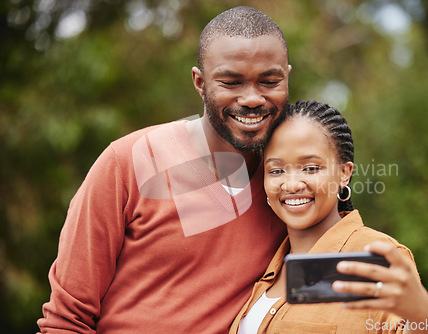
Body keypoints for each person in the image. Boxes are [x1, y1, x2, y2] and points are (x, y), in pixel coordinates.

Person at [37, 6, 291, 333]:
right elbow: (65, 320)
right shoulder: (128, 162)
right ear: (200, 83)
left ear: (286, 77)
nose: (253, 98)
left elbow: (331, 269)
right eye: (231, 82)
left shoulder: (290, 189)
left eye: (269, 81)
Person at [230, 100, 428, 334]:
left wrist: (421, 315)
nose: (291, 184)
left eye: (311, 168)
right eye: (276, 171)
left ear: (344, 173)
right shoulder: (264, 267)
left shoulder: (371, 256)